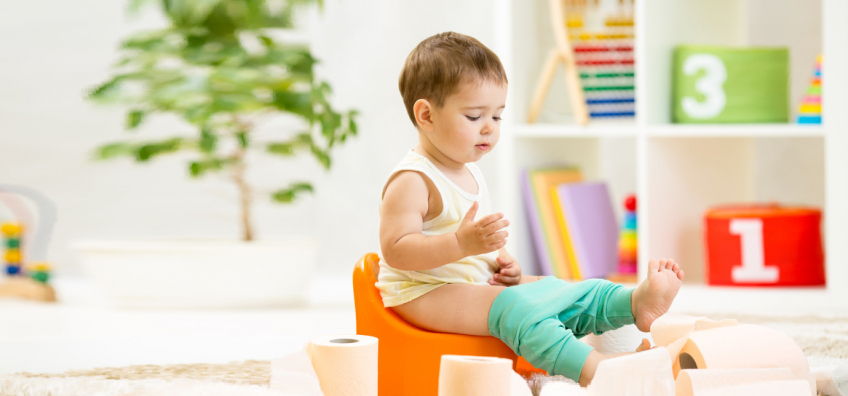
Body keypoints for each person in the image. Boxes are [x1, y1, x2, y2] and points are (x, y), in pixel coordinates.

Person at [376, 31, 684, 387]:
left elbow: (473, 239)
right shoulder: (412, 179)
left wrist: (501, 260)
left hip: (467, 283)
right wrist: (463, 245)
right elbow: (396, 250)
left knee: (556, 289)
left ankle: (634, 302)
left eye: (498, 116)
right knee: (519, 310)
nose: (489, 128)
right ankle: (599, 372)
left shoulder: (466, 168)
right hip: (422, 292)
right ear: (426, 115)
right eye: (475, 116)